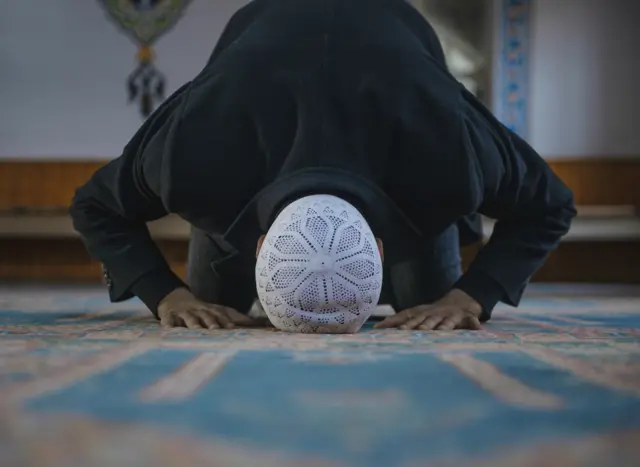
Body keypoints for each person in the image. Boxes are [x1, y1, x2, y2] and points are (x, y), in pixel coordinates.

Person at [70, 0, 576, 333]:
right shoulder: (199, 148)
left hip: (398, 56)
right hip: (252, 82)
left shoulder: (445, 150)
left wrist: (472, 296)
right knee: (200, 314)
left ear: (382, 246)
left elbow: (551, 205)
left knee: (435, 310)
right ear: (256, 244)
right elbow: (95, 205)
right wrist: (167, 296)